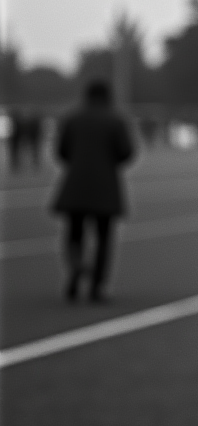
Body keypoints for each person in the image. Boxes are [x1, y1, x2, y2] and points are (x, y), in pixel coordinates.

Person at [52, 79, 135, 301]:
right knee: (104, 237)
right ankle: (97, 286)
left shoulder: (72, 118)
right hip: (105, 185)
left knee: (74, 232)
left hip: (76, 183)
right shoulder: (115, 120)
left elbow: (61, 151)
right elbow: (126, 152)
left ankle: (75, 268)